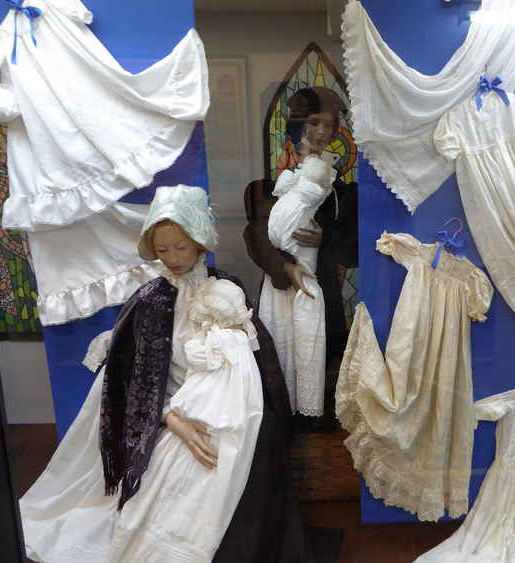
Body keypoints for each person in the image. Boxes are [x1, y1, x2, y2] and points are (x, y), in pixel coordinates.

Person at [19, 185, 306, 562]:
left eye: (180, 247)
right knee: (186, 461)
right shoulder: (151, 300)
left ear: (201, 243)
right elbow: (133, 379)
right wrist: (173, 420)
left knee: (258, 438)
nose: (171, 258)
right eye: (162, 249)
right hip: (168, 412)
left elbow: (252, 365)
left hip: (226, 406)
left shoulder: (227, 291)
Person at [243, 87, 358, 426]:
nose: (321, 132)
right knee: (279, 355)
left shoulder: (341, 193)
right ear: (296, 125)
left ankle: (313, 416)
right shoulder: (266, 189)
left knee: (318, 360)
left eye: (329, 125)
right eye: (313, 123)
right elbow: (256, 238)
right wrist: (284, 266)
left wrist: (327, 238)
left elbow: (354, 247)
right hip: (280, 288)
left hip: (320, 287)